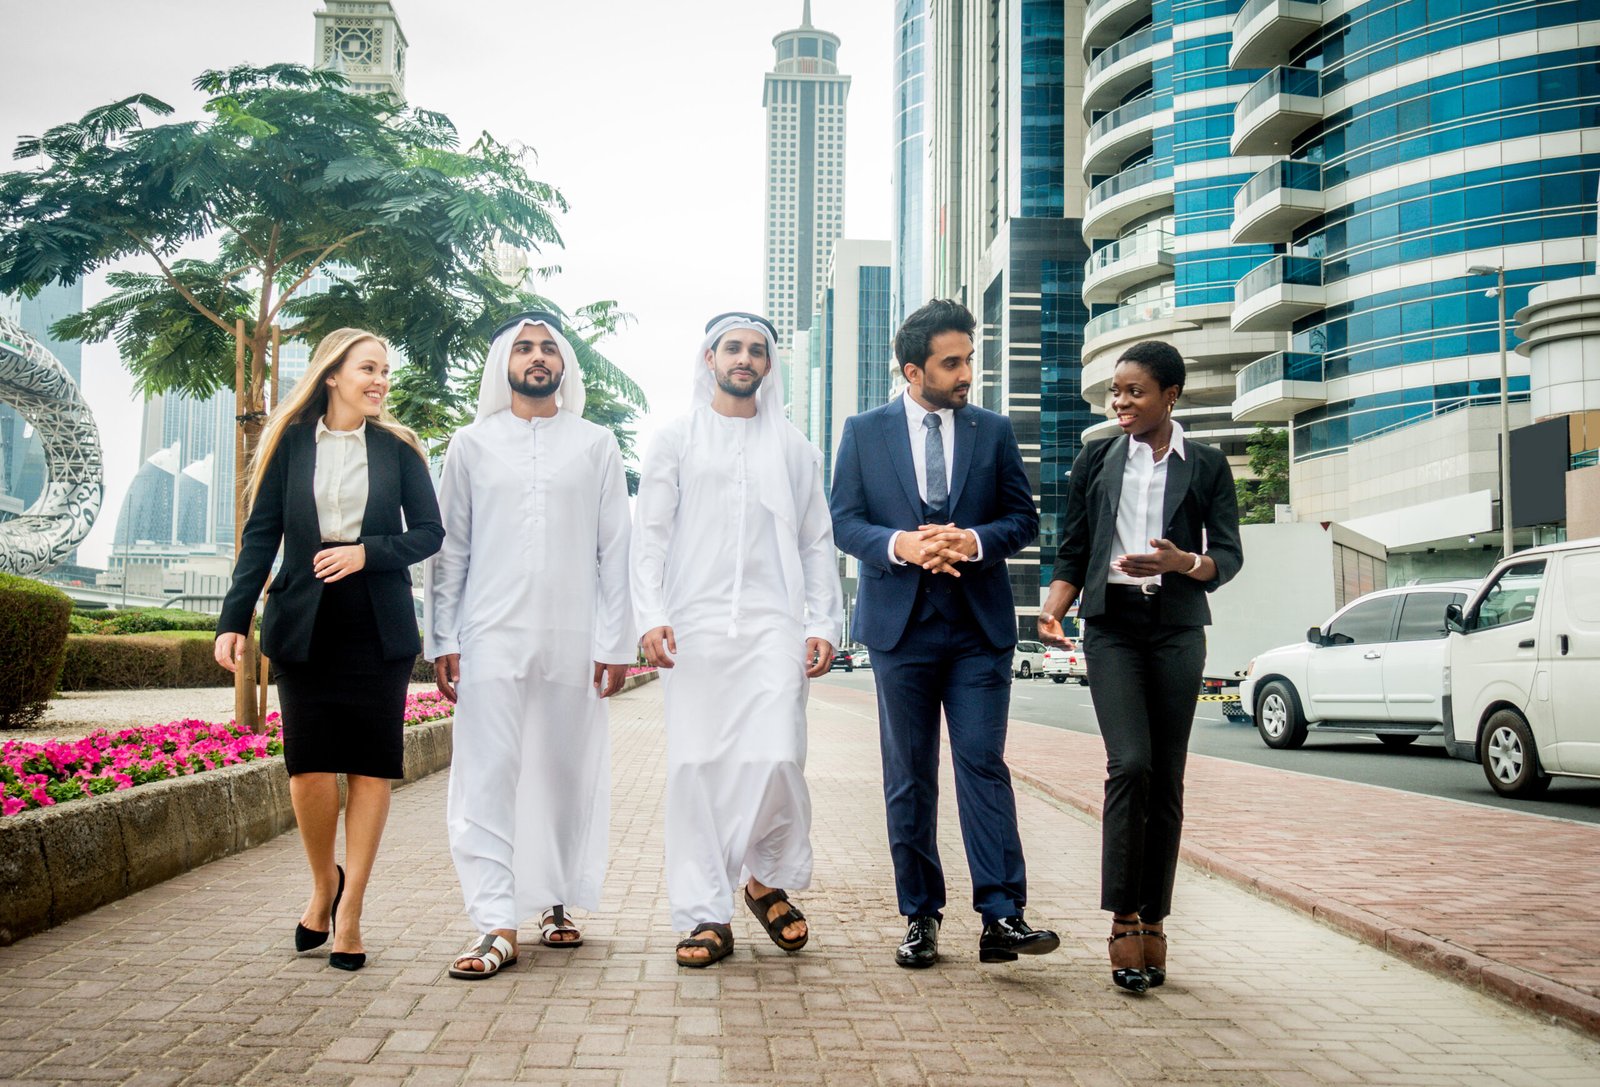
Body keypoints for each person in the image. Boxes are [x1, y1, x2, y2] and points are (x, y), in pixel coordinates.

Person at [831, 298, 1059, 969]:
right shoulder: (864, 431)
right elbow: (844, 520)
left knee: (982, 765)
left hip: (977, 630)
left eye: (969, 359)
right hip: (900, 629)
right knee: (909, 776)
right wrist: (901, 543)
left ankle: (1001, 915)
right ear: (913, 368)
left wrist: (974, 539)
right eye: (951, 362)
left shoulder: (992, 429)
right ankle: (920, 916)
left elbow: (1023, 518)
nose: (966, 373)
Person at [215, 327, 444, 972]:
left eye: (385, 372)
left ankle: (352, 913)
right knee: (309, 767)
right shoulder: (289, 443)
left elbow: (430, 532)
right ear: (333, 374)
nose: (380, 381)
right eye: (368, 368)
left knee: (371, 766)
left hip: (378, 626)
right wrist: (233, 620)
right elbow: (261, 538)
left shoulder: (399, 449)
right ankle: (323, 883)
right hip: (303, 624)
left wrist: (368, 552)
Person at [425, 311, 634, 980]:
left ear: (564, 365)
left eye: (548, 348)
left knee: (564, 772)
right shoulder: (471, 444)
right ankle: (493, 920)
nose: (537, 356)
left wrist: (615, 639)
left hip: (573, 638)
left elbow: (615, 548)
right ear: (504, 365)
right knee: (486, 774)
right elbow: (449, 550)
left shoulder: (597, 443)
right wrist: (444, 637)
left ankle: (554, 898)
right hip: (489, 636)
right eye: (524, 347)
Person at [631, 311, 842, 968]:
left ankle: (760, 876)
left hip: (773, 624)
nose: (745, 359)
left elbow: (816, 542)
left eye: (756, 350)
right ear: (710, 358)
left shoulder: (795, 447)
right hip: (692, 627)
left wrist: (822, 622)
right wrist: (649, 613)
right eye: (734, 348)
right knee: (697, 767)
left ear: (768, 365)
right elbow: (651, 537)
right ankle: (705, 912)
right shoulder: (674, 439)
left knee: (778, 755)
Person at [1038, 340, 1242, 994]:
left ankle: (1156, 916)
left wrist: (1182, 562)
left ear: (1170, 395)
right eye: (1115, 392)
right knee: (1131, 763)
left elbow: (1227, 557)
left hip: (1178, 627)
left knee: (1169, 777)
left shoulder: (1206, 464)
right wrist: (1055, 606)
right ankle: (1124, 914)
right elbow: (1074, 547)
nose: (1120, 402)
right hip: (1114, 628)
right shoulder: (1096, 458)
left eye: (1134, 391)